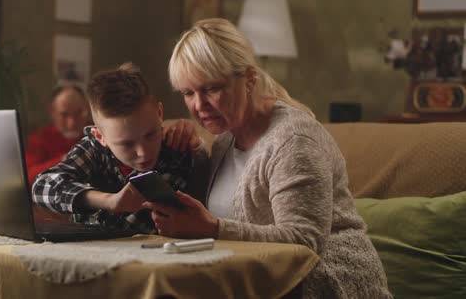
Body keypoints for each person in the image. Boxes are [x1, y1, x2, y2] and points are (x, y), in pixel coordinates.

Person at [143, 18, 392, 298]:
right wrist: (192, 148)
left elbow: (304, 242)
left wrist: (213, 228)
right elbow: (209, 210)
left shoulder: (294, 141)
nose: (199, 106)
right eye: (189, 93)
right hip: (256, 281)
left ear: (249, 79)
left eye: (211, 88)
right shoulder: (226, 138)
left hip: (326, 283)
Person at [32, 63, 203, 233]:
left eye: (150, 135)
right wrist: (107, 201)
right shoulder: (94, 148)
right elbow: (42, 186)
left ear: (159, 113)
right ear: (100, 137)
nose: (143, 153)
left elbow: (128, 227)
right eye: (127, 144)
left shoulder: (176, 152)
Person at [25, 83, 91, 186]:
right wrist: (65, 160)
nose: (72, 123)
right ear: (52, 112)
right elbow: (28, 177)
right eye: (64, 115)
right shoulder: (40, 138)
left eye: (79, 113)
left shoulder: (97, 132)